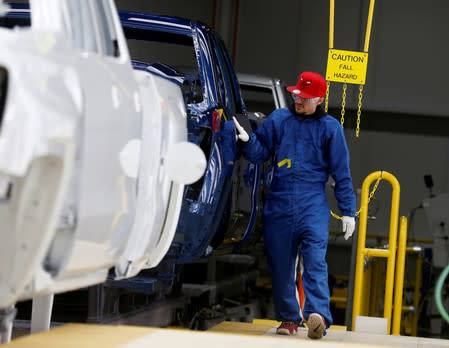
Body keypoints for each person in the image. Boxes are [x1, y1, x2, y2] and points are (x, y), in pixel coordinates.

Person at [233, 71, 356, 339]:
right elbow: (260, 153)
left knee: (314, 260)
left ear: (319, 99)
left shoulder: (330, 128)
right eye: (296, 95)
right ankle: (289, 318)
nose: (298, 100)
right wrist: (247, 142)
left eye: (305, 98)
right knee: (280, 263)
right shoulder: (280, 120)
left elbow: (341, 172)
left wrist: (348, 211)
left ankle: (318, 316)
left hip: (312, 203)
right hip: (279, 201)